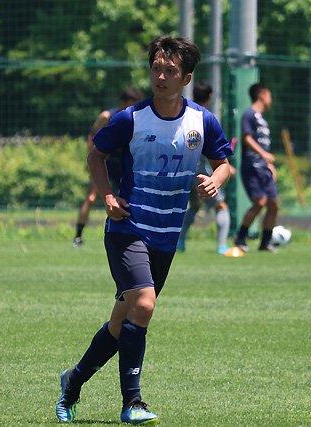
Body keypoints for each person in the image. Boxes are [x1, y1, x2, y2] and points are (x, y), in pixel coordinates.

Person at [56, 36, 233, 425]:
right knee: (146, 305)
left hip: (166, 236)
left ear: (186, 78)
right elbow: (95, 155)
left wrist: (215, 180)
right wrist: (107, 196)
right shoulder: (131, 119)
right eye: (156, 68)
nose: (161, 77)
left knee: (121, 323)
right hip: (127, 228)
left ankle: (73, 381)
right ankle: (132, 402)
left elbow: (224, 163)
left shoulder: (202, 121)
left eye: (171, 71)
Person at [73, 87, 144, 247]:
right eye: (132, 105)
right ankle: (78, 236)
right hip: (104, 163)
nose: (135, 109)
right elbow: (92, 136)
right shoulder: (107, 117)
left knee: (129, 201)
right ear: (123, 103)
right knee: (91, 198)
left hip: (124, 166)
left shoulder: (139, 118)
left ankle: (129, 236)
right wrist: (91, 161)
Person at [177, 80, 236, 255]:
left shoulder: (183, 116)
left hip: (180, 170)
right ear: (210, 97)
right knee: (221, 207)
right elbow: (208, 151)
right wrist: (223, 168)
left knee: (195, 205)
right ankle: (222, 246)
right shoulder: (206, 118)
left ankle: (180, 242)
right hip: (198, 173)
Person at [233, 82, 280, 253]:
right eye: (269, 95)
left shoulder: (262, 120)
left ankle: (265, 242)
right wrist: (264, 155)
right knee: (259, 202)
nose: (270, 99)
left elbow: (263, 144)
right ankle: (240, 237)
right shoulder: (249, 114)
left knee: (274, 204)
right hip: (252, 166)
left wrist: (269, 164)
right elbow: (246, 138)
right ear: (262, 95)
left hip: (264, 168)